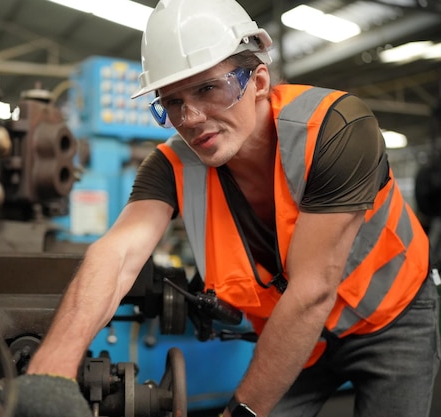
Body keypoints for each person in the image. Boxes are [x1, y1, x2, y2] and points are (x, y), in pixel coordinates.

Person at [24, 1, 440, 416]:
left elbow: (313, 291)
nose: (190, 118)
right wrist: (51, 370)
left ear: (258, 81)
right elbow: (117, 255)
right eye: (171, 102)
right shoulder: (170, 167)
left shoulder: (335, 131)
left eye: (208, 89)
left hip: (391, 318)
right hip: (298, 340)